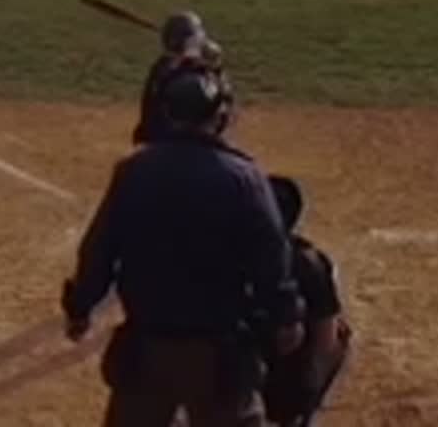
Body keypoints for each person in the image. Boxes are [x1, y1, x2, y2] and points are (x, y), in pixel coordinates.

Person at [63, 69, 304, 427]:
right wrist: (285, 316)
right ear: (219, 117)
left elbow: (99, 248)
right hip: (218, 350)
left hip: (148, 344)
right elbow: (270, 258)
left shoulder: (134, 171)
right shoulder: (244, 178)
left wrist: (80, 307)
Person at [259, 175, 351, 427]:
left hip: (229, 380)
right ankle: (300, 415)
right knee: (339, 332)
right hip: (282, 389)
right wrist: (310, 385)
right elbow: (327, 336)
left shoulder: (229, 252)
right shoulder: (307, 261)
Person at [133, 11, 225, 146]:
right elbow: (222, 97)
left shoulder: (160, 68)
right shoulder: (197, 71)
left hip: (157, 139)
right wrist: (214, 61)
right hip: (185, 140)